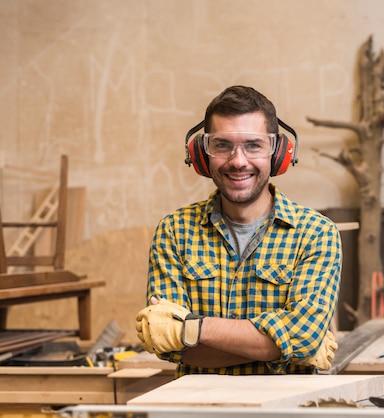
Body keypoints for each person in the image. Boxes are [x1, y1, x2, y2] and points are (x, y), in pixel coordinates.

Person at [135, 85, 342, 377]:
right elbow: (167, 344)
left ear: (278, 152)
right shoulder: (174, 231)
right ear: (200, 154)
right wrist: (281, 348)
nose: (238, 160)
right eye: (222, 145)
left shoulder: (316, 233)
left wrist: (192, 327)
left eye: (253, 145)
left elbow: (303, 339)